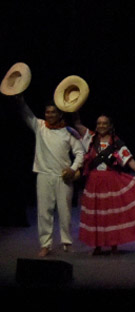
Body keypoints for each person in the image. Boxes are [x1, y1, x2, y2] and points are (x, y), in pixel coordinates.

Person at [74, 114, 135, 255]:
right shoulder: (91, 138)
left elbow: (129, 159)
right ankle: (97, 246)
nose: (101, 126)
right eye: (99, 123)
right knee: (96, 214)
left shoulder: (116, 142)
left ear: (110, 126)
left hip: (110, 182)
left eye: (104, 123)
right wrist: (73, 109)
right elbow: (77, 124)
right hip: (94, 182)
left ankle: (113, 245)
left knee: (111, 214)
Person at [13, 96, 84, 256]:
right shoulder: (40, 127)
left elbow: (80, 152)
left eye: (53, 112)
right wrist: (19, 99)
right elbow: (26, 113)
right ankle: (46, 245)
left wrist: (73, 169)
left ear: (60, 114)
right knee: (44, 212)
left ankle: (67, 242)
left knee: (65, 211)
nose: (49, 115)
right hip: (44, 175)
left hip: (63, 177)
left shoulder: (68, 131)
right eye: (47, 112)